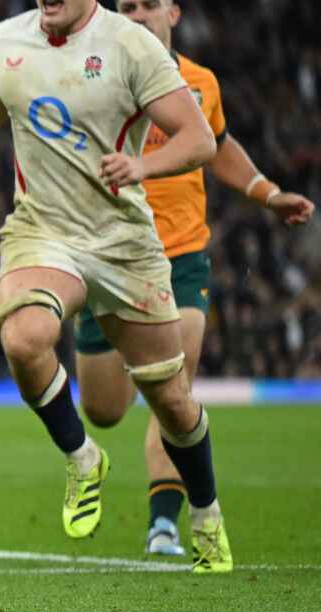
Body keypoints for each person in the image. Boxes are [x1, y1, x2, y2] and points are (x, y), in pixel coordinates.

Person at [0, 0, 234, 572]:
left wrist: (144, 168)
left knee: (171, 398)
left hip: (124, 240)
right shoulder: (2, 44)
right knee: (23, 335)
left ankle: (206, 514)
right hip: (42, 230)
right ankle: (81, 455)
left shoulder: (130, 45)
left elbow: (199, 138)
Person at [76, 0, 314, 556]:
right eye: (126, 8)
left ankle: (165, 524)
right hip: (108, 258)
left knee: (171, 390)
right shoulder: (92, 77)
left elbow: (220, 144)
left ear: (174, 14)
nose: (137, 16)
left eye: (147, 6)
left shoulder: (199, 82)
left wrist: (267, 192)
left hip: (178, 256)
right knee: (104, 409)